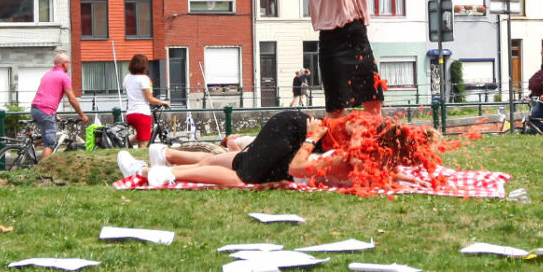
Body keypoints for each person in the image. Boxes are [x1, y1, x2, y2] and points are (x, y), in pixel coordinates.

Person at [118, 111, 439, 191]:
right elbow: (303, 167)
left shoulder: (378, 154)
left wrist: (407, 180)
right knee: (245, 176)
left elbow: (377, 168)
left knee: (240, 162)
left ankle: (164, 158)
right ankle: (156, 172)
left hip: (296, 133)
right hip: (295, 131)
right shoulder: (361, 139)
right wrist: (313, 139)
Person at [30, 53, 88, 159]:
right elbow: (72, 99)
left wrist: (53, 114)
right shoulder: (64, 77)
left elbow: (45, 94)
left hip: (35, 108)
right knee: (50, 143)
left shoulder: (47, 75)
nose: (69, 65)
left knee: (49, 133)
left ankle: (30, 147)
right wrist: (82, 115)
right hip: (45, 110)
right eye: (68, 63)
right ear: (64, 64)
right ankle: (41, 172)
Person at [124, 53, 169, 148]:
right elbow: (150, 99)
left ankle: (125, 145)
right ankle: (141, 160)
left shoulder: (127, 78)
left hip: (130, 113)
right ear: (144, 66)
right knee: (144, 143)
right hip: (142, 113)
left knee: (142, 135)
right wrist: (163, 102)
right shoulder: (144, 79)